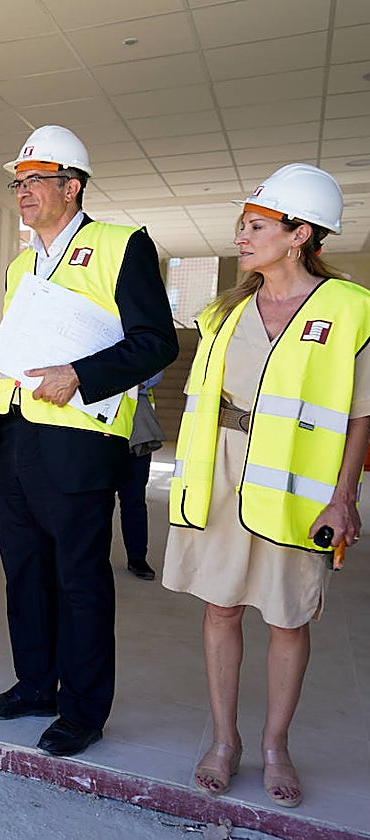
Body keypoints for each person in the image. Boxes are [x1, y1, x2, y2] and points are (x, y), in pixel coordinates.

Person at [163, 163, 370, 808]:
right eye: (243, 226)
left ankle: (276, 745)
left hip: (298, 486)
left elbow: (360, 413)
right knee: (221, 607)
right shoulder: (223, 312)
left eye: (256, 226)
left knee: (287, 616)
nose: (242, 237)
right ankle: (225, 741)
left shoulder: (350, 309)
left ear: (299, 234)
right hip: (223, 471)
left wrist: (344, 496)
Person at [0, 125, 177, 757]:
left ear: (73, 186)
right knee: (24, 573)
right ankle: (37, 686)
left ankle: (84, 710)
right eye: (18, 182)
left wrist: (81, 376)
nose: (23, 191)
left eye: (37, 180)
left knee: (80, 581)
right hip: (11, 435)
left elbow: (156, 343)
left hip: (78, 444)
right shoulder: (20, 263)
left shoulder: (121, 245)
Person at [118, 372, 165, 581]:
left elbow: (153, 371)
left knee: (134, 499)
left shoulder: (140, 349)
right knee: (96, 502)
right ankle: (95, 557)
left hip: (138, 429)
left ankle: (137, 558)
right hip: (98, 427)